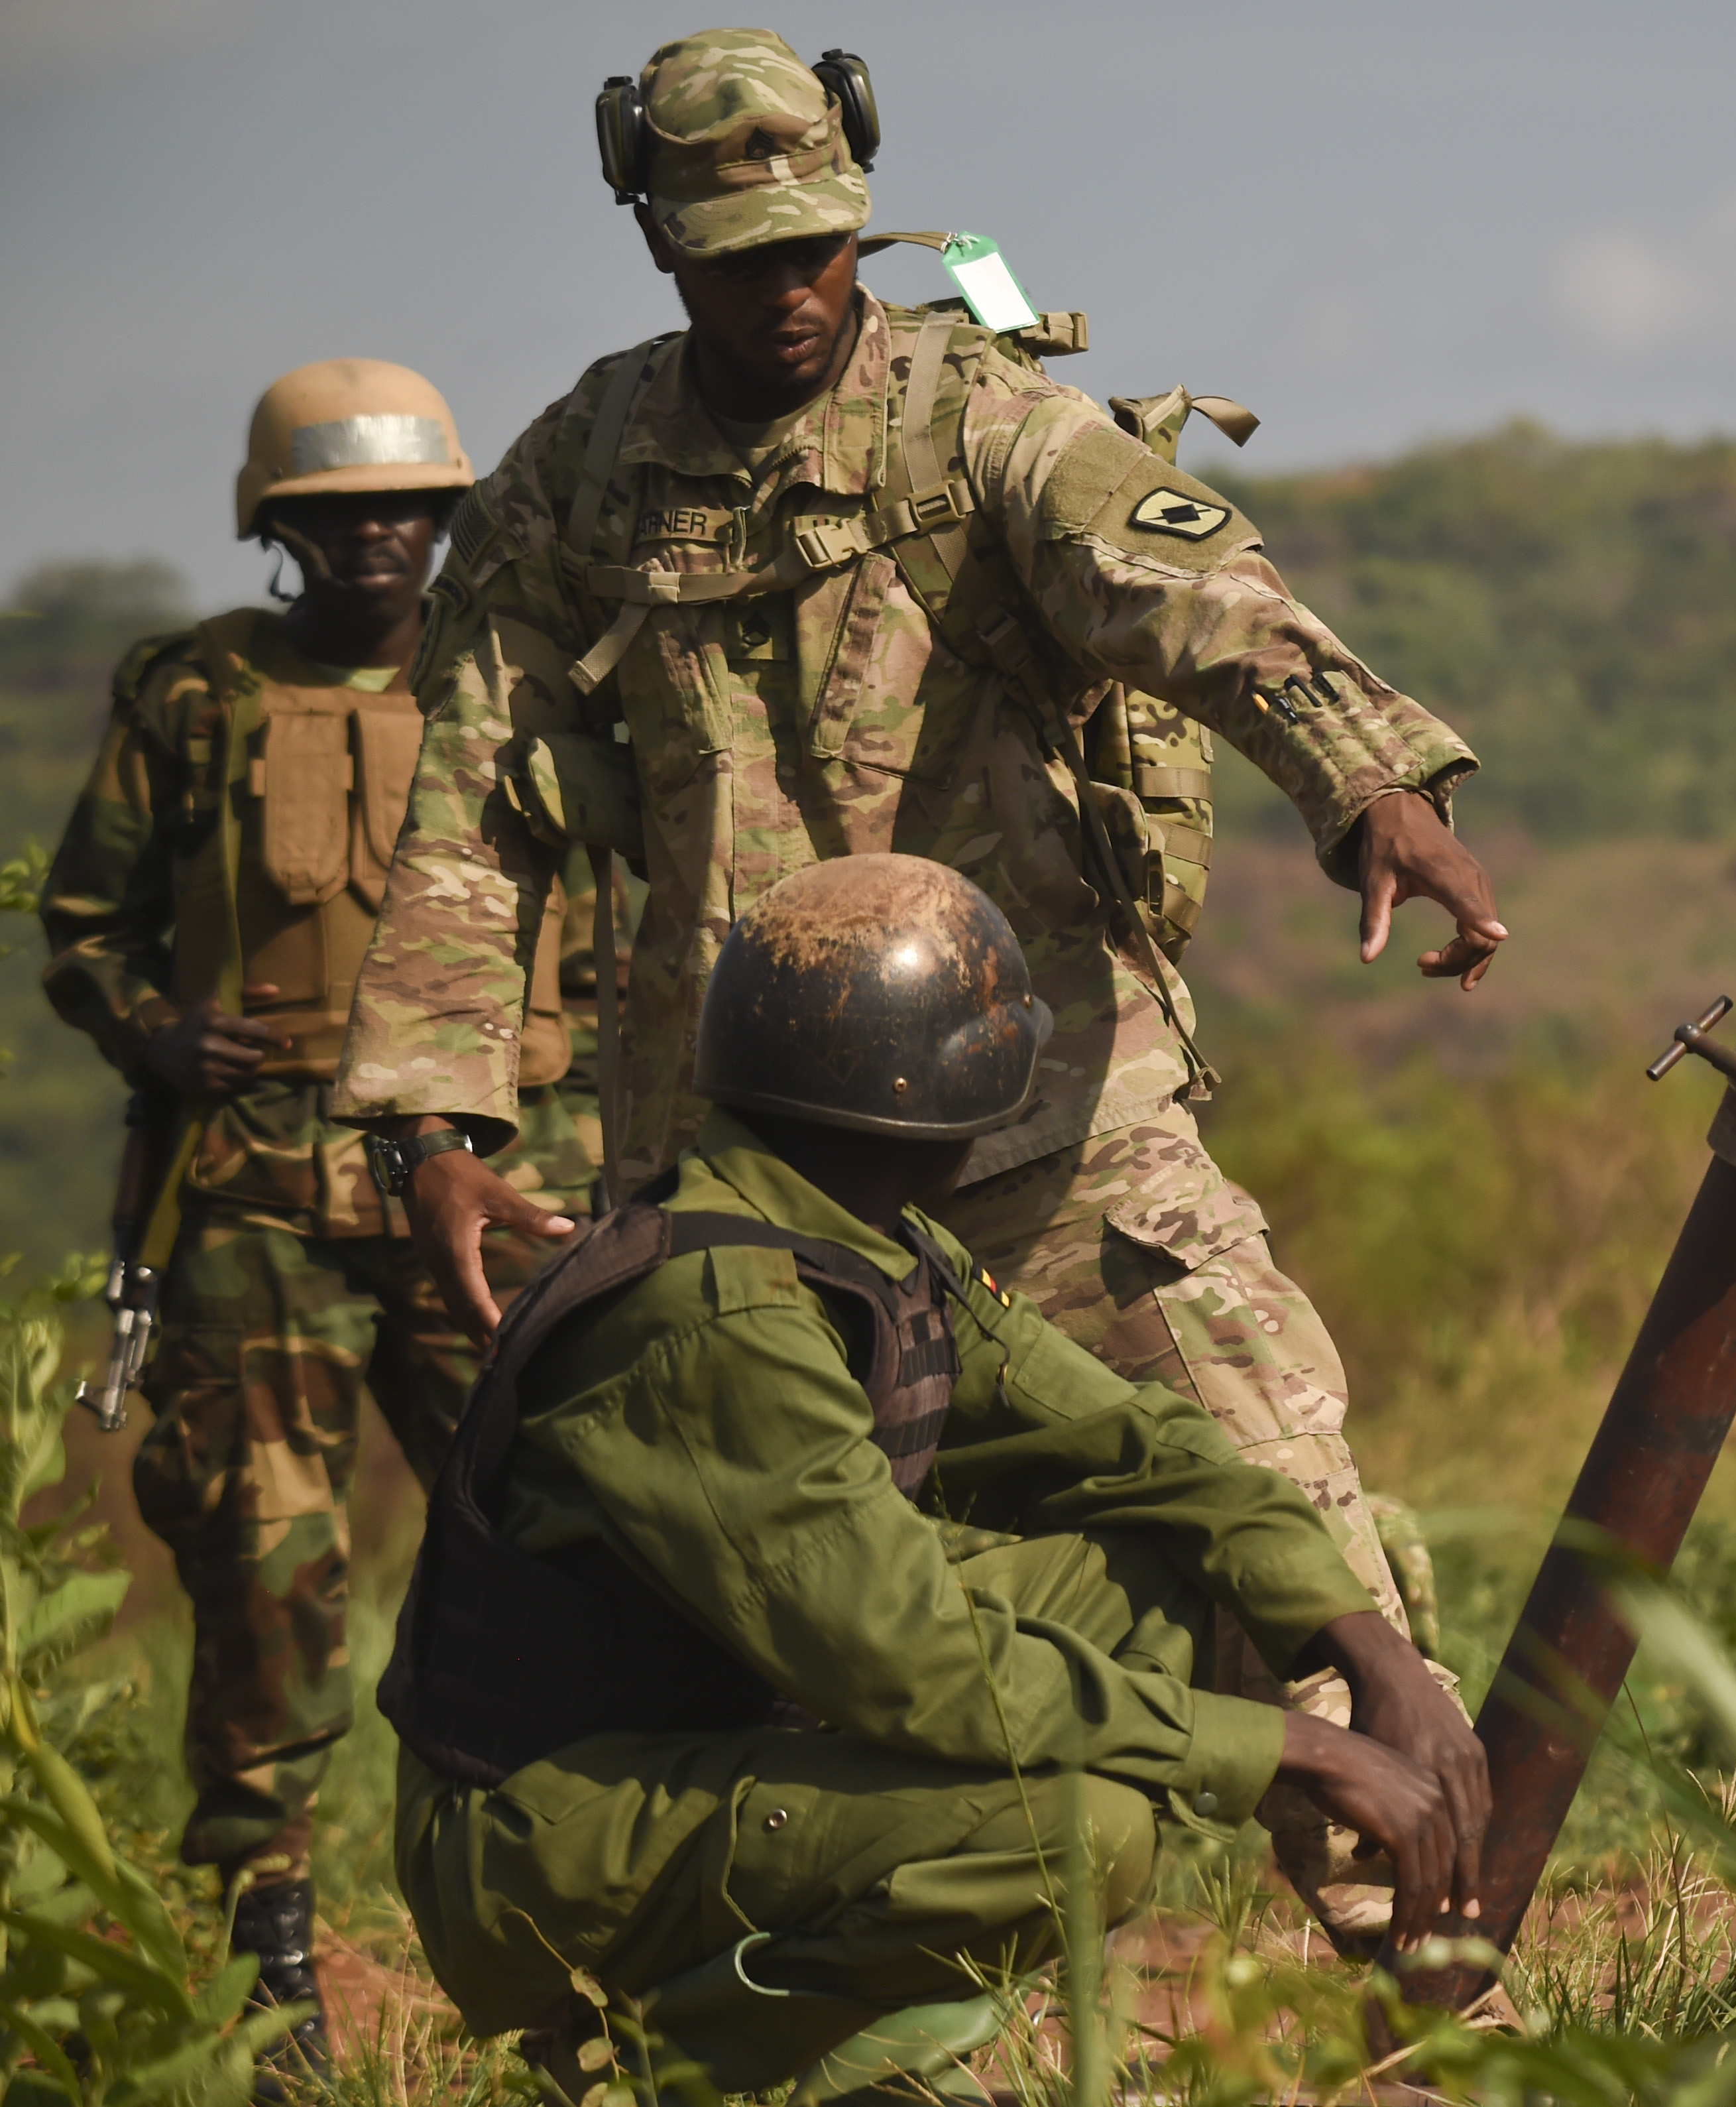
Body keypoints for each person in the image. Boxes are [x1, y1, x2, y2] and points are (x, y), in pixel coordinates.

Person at [329, 29, 1497, 1937]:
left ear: (861, 223)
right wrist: (440, 1120)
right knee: (805, 1648)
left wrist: (1361, 776)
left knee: (1298, 1543)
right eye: (737, 258)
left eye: (818, 249)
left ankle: (1430, 1986)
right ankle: (860, 2033)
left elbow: (1194, 597)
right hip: (756, 1196)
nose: (787, 293)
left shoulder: (984, 424)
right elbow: (475, 791)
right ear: (657, 241)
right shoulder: (580, 479)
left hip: (1050, 1139)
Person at [382, 855, 1485, 2104]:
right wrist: (1282, 1744)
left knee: (1186, 1573)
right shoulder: (713, 1316)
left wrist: (1361, 1645)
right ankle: (663, 2070)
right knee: (1075, 1835)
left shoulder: (865, 1242)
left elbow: (1143, 1446)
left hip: (707, 1734)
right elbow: (915, 1660)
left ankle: (848, 2053)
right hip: (546, 1830)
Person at [37, 359, 598, 2067]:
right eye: (340, 514)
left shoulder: (526, 684)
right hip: (258, 1185)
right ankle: (266, 1926)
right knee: (265, 1557)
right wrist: (147, 1027)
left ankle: (567, 1879)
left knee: (556, 1530)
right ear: (282, 527)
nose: (378, 542)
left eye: (407, 512)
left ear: (446, 521)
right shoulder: (194, 694)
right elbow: (85, 922)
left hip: (492, 1177)